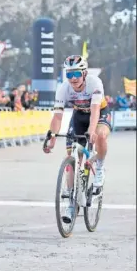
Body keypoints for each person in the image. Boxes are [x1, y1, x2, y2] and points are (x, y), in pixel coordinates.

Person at [43, 55, 111, 223]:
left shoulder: (94, 83)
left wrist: (91, 131)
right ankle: (72, 204)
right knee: (71, 156)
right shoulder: (63, 88)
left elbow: (95, 110)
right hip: (79, 116)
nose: (73, 78)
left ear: (84, 73)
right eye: (69, 74)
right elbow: (57, 117)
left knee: (100, 135)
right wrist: (52, 136)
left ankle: (100, 168)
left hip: (99, 114)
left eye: (76, 74)